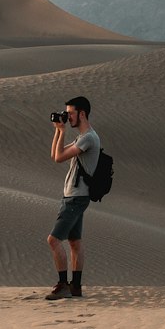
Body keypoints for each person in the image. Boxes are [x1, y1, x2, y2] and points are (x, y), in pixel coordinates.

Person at [46, 95, 100, 300]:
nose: (67, 117)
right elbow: (55, 156)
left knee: (53, 240)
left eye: (70, 113)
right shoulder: (82, 138)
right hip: (74, 195)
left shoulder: (88, 138)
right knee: (74, 242)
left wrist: (61, 132)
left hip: (76, 196)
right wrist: (59, 132)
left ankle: (63, 284)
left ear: (82, 113)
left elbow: (59, 157)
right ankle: (75, 286)